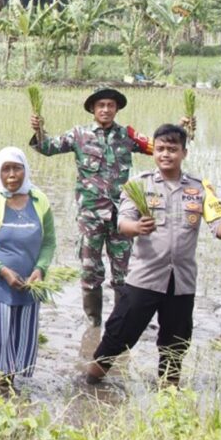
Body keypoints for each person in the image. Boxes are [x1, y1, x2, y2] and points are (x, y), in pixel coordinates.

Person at [86, 124, 221, 386]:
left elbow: (218, 222)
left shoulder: (200, 188)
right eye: (160, 149)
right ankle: (90, 381)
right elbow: (123, 223)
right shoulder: (138, 185)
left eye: (172, 149)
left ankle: (168, 394)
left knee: (176, 343)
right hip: (144, 278)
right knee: (119, 334)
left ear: (184, 153)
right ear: (153, 151)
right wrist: (137, 227)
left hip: (181, 282)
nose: (166, 154)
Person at [29, 87, 160, 326]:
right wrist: (39, 130)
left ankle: (120, 325)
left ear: (117, 109)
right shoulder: (79, 135)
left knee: (123, 274)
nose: (106, 110)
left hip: (122, 216)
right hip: (90, 217)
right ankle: (94, 323)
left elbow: (161, 148)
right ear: (93, 109)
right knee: (90, 272)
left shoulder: (128, 136)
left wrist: (186, 128)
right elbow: (47, 148)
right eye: (101, 105)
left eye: (111, 105)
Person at [0, 147, 56, 394]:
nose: (12, 175)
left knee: (18, 344)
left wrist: (40, 269)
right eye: (6, 169)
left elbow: (48, 242)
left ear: (25, 170)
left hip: (29, 284)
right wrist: (3, 270)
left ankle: (5, 392)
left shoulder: (40, 200)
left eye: (17, 168)